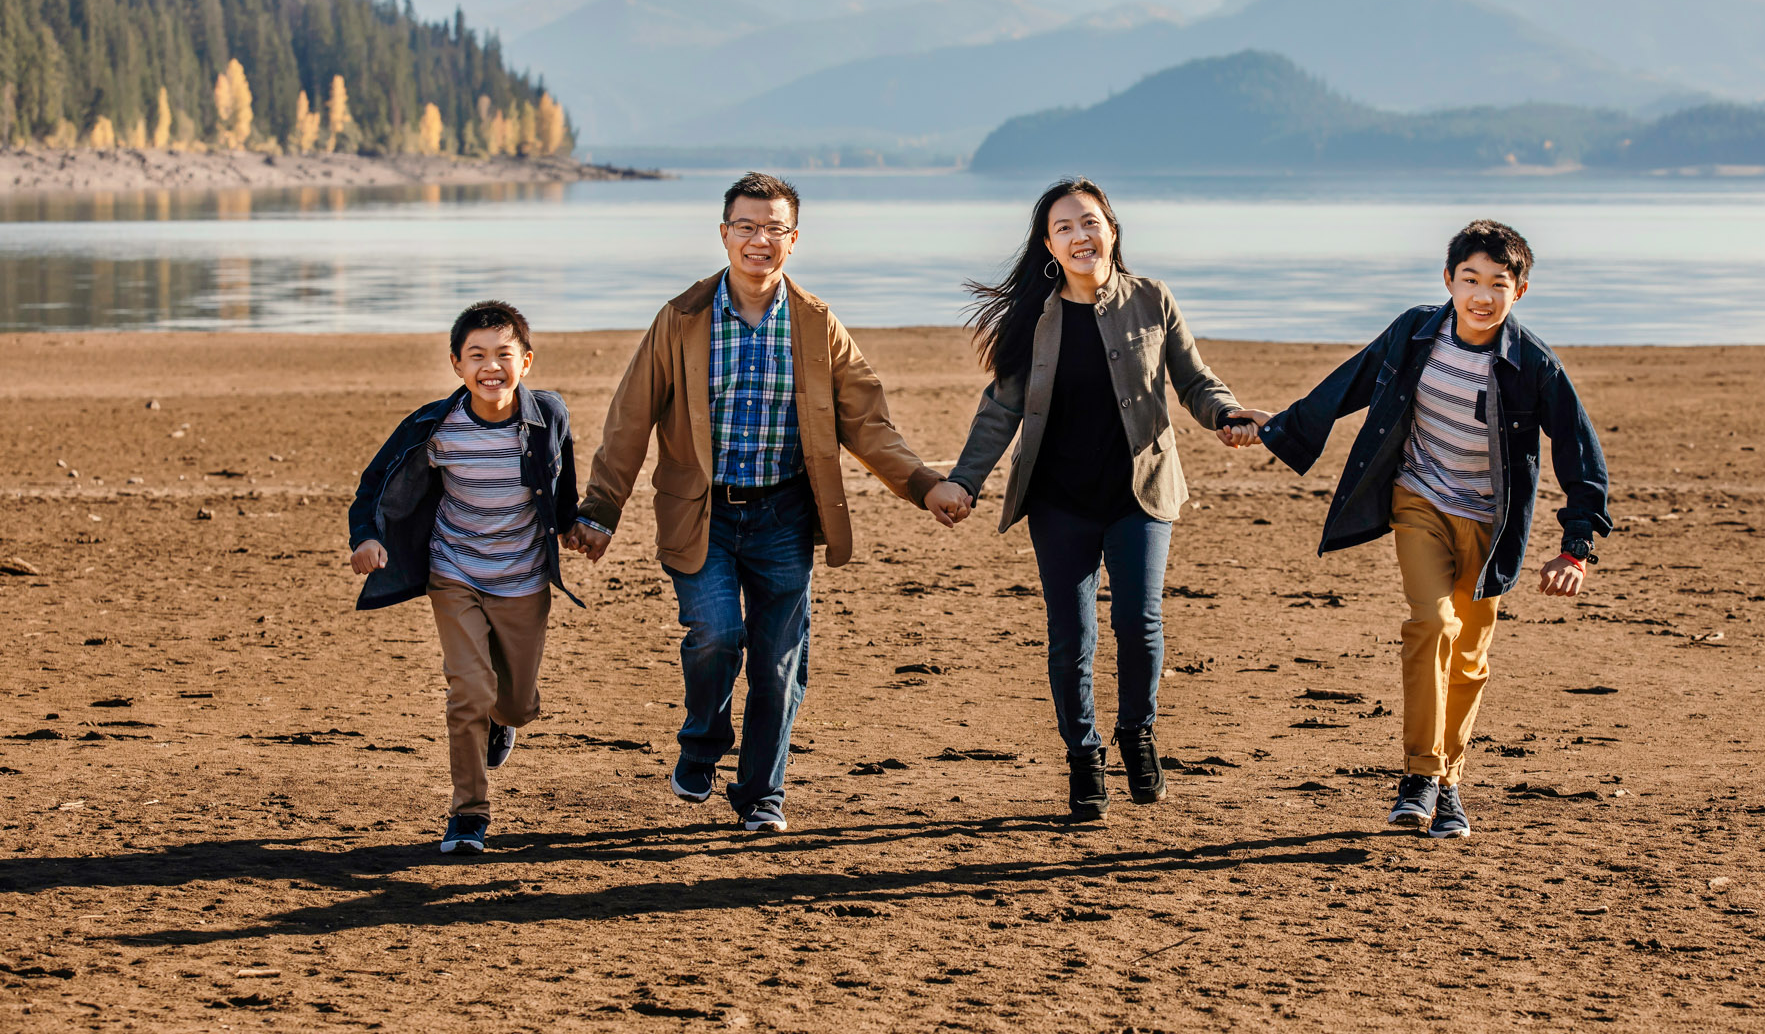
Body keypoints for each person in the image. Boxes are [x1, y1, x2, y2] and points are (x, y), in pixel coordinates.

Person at [567, 172, 968, 834]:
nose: (759, 239)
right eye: (746, 226)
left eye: (773, 228)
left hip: (785, 515)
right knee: (718, 634)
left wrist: (925, 484)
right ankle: (703, 741)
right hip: (703, 515)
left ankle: (761, 794)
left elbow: (867, 423)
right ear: (724, 233)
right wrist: (600, 510)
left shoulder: (816, 324)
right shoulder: (681, 319)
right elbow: (628, 420)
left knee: (780, 664)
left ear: (794, 239)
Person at [1224, 219, 1612, 840]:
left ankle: (1448, 783)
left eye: (1498, 283)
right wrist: (1277, 427)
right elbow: (1347, 383)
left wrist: (1576, 548)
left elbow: (1579, 453)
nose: (1482, 295)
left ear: (1521, 291)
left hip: (1490, 523)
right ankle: (1420, 777)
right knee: (1432, 623)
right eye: (1470, 280)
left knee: (1469, 658)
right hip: (1419, 500)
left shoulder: (1534, 365)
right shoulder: (1415, 331)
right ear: (1448, 281)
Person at [942, 177, 1245, 822]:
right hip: (1059, 499)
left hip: (1140, 492)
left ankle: (1137, 733)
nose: (1079, 236)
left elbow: (1193, 379)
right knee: (1071, 635)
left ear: (1111, 228)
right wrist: (966, 481)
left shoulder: (1152, 300)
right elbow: (1000, 410)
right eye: (1064, 228)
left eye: (1089, 222)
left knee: (1139, 624)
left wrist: (1224, 414)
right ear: (1049, 245)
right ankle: (1084, 757)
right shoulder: (1035, 318)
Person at [348, 300, 582, 855]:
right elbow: (374, 483)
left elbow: (562, 484)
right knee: (467, 693)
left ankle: (505, 720)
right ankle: (468, 816)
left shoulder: (548, 416)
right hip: (453, 572)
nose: (490, 367)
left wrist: (573, 528)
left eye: (503, 354)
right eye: (476, 355)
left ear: (526, 361)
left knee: (517, 702)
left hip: (524, 580)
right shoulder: (435, 426)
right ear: (456, 364)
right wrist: (367, 536)